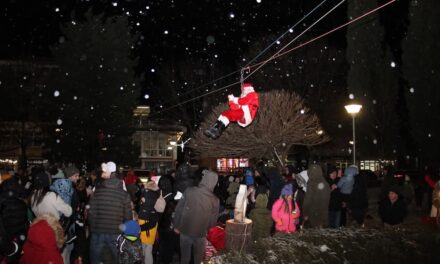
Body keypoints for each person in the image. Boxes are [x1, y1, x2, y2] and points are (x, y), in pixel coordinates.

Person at [88, 161, 132, 264]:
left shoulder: (96, 192)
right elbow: (128, 217)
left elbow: (91, 213)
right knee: (117, 259)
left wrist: (93, 228)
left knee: (95, 259)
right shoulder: (124, 194)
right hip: (116, 231)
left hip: (98, 231)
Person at [173, 170, 220, 264]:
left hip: (185, 231)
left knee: (185, 258)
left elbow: (179, 209)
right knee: (198, 259)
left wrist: (176, 226)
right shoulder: (215, 200)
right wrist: (205, 229)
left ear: (204, 179)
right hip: (200, 234)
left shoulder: (189, 191)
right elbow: (213, 221)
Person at [138, 181, 160, 264]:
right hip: (146, 228)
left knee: (147, 249)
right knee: (147, 248)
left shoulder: (149, 200)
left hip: (146, 228)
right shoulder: (154, 199)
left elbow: (152, 222)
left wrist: (140, 228)